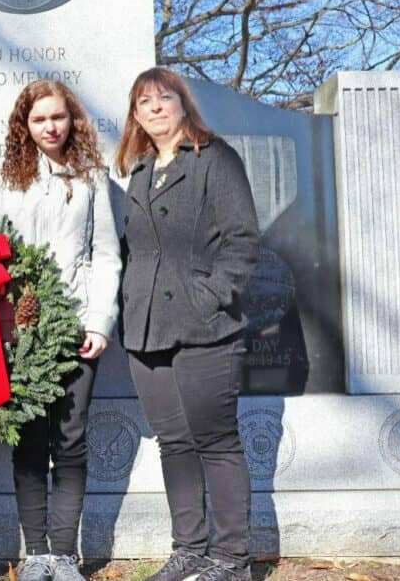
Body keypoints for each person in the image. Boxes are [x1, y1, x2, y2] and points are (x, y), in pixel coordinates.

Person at [115, 67, 260, 581]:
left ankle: (231, 559)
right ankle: (190, 551)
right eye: (143, 102)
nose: (154, 108)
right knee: (173, 443)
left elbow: (243, 240)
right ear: (135, 115)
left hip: (205, 327)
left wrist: (210, 296)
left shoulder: (213, 158)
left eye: (163, 98)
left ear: (182, 103)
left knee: (215, 440)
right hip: (146, 330)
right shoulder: (138, 173)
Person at [0, 80, 121, 581]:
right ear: (25, 125)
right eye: (39, 118)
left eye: (58, 117)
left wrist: (99, 322)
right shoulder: (7, 181)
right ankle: (36, 552)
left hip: (76, 326)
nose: (50, 126)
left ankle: (64, 555)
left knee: (69, 439)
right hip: (19, 332)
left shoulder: (91, 178)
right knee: (28, 440)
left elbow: (106, 254)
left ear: (72, 121)